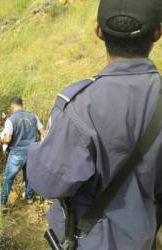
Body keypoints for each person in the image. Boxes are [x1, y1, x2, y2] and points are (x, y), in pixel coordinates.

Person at [27, 0, 162, 249]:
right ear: (158, 32)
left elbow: (46, 182)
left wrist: (36, 148)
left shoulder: (79, 104)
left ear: (98, 31)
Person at [0, 97, 45, 208]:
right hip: (32, 153)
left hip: (16, 154)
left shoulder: (10, 120)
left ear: (12, 106)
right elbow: (43, 133)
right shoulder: (33, 116)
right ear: (21, 105)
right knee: (29, 177)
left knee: (8, 179)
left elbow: (8, 139)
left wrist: (1, 139)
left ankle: (2, 204)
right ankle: (29, 199)